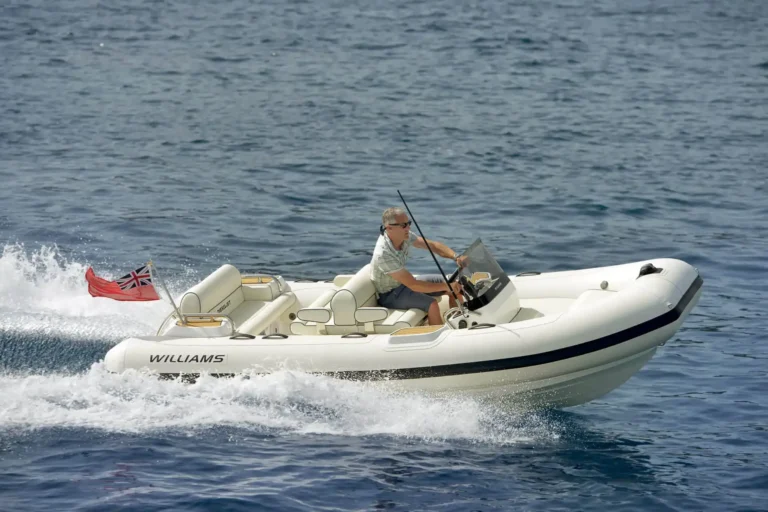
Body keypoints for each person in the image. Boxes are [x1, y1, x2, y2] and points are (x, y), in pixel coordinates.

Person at [371, 207, 468, 325]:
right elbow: (414, 285)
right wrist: (447, 287)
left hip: (403, 284)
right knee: (432, 304)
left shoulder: (404, 236)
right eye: (403, 225)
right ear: (389, 228)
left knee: (454, 286)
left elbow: (432, 245)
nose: (408, 228)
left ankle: (460, 323)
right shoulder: (383, 254)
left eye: (408, 223)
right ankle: (439, 334)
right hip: (390, 294)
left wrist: (456, 256)